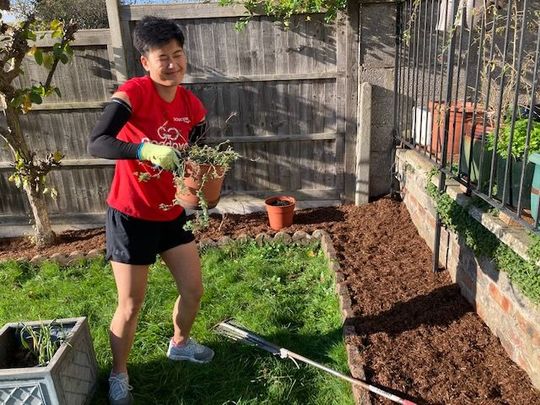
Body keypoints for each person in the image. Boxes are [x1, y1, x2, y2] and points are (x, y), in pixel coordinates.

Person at [88, 16, 213, 405]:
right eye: (163, 57)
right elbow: (97, 142)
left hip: (170, 212)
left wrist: (201, 187)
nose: (173, 64)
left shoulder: (192, 105)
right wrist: (141, 149)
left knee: (193, 289)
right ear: (146, 61)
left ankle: (179, 343)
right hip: (130, 214)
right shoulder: (133, 93)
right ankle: (118, 373)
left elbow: (198, 158)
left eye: (178, 55)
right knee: (131, 304)